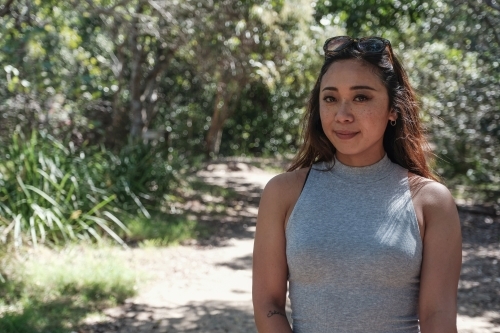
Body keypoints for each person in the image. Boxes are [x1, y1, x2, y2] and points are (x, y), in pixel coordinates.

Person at [252, 36, 462, 333]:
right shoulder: (283, 193)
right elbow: (268, 304)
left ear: (393, 109)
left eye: (361, 97)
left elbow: (437, 316)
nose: (342, 115)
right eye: (330, 98)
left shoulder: (430, 201)